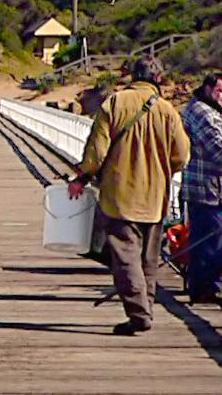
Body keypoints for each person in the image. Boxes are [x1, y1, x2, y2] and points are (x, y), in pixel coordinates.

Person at [68, 56, 190, 336]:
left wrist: (82, 176)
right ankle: (145, 308)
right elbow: (181, 156)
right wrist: (161, 171)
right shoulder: (167, 110)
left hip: (120, 194)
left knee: (125, 256)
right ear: (158, 78)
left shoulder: (115, 103)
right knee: (148, 259)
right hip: (156, 196)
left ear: (131, 75)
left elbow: (97, 153)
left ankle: (139, 314)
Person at [180, 73, 222, 303]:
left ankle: (207, 285)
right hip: (205, 188)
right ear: (207, 88)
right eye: (219, 91)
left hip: (214, 189)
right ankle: (204, 288)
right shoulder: (201, 112)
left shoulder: (211, 110)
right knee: (208, 240)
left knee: (210, 239)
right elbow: (218, 150)